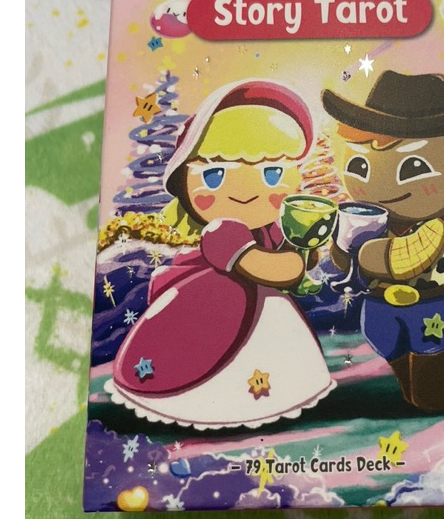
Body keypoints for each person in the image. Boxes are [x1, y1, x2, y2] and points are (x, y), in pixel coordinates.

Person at [106, 79, 335, 429]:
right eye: (214, 175)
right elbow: (268, 268)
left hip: (262, 311)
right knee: (210, 361)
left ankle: (273, 399)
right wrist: (295, 262)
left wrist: (304, 249)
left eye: (272, 173)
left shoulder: (272, 228)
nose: (245, 191)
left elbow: (289, 259)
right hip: (216, 312)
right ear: (184, 182)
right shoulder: (222, 232)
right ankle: (210, 406)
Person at [322, 70, 444, 412]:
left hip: (426, 304)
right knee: (380, 336)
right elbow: (346, 261)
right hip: (379, 301)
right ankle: (407, 377)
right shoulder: (371, 217)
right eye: (360, 165)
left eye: (413, 167)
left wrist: (365, 254)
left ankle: (435, 388)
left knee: (430, 349)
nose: (378, 183)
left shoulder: (433, 226)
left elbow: (404, 259)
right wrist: (342, 246)